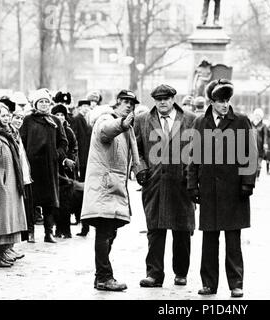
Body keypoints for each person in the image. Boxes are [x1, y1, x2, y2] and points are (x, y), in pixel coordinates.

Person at [187, 79, 258, 298]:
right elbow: (193, 155)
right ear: (212, 101)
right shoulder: (201, 123)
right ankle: (209, 283)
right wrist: (192, 184)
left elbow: (250, 153)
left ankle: (236, 284)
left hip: (234, 190)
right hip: (208, 189)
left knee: (233, 240)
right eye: (220, 101)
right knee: (209, 239)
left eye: (227, 100)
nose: (224, 105)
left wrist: (247, 182)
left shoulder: (241, 121)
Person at [134, 84, 196, 288]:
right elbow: (137, 150)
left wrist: (193, 178)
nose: (162, 102)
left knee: (182, 230)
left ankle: (181, 272)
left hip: (182, 182)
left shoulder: (190, 119)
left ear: (173, 99)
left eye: (166, 98)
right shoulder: (143, 120)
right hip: (154, 183)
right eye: (159, 99)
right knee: (155, 229)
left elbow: (198, 150)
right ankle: (154, 274)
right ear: (154, 100)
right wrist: (141, 169)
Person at [80, 89, 140, 292]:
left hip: (113, 186)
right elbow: (107, 130)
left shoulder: (126, 125)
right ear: (117, 103)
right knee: (105, 232)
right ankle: (104, 277)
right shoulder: (107, 119)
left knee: (109, 232)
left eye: (132, 103)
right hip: (104, 187)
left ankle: (101, 276)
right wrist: (122, 124)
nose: (129, 106)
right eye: (126, 102)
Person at [20, 89, 68, 244]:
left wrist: (57, 154)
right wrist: (25, 159)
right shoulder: (28, 120)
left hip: (49, 166)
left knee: (49, 202)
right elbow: (22, 141)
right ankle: (31, 232)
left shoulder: (55, 120)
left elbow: (63, 142)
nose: (44, 104)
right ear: (35, 104)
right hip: (32, 166)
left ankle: (49, 232)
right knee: (31, 200)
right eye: (41, 101)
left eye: (47, 101)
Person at [0, 103, 27, 267]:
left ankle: (3, 253)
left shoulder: (6, 134)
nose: (6, 118)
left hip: (9, 185)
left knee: (5, 222)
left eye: (7, 115)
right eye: (2, 116)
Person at [51, 104, 78, 239]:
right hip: (53, 170)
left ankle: (66, 229)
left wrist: (69, 159)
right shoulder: (50, 129)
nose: (60, 117)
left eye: (62, 115)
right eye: (57, 115)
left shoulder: (69, 131)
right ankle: (57, 228)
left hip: (66, 172)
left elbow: (74, 148)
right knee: (55, 203)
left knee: (66, 202)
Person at [11, 107, 35, 244]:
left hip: (24, 177)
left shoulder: (17, 133)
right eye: (16, 118)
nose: (19, 121)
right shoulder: (11, 133)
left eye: (21, 118)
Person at [69, 100, 92, 235]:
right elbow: (76, 141)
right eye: (83, 106)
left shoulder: (86, 119)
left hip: (86, 160)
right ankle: (82, 222)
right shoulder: (78, 119)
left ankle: (84, 224)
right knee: (81, 192)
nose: (85, 108)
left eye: (87, 106)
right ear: (79, 107)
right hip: (82, 161)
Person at [251, 108, 268, 180]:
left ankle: (257, 176)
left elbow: (265, 136)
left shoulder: (263, 125)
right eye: (256, 115)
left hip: (260, 146)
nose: (257, 116)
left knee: (258, 163)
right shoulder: (250, 123)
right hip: (251, 145)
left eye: (259, 115)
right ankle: (252, 175)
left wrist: (265, 144)